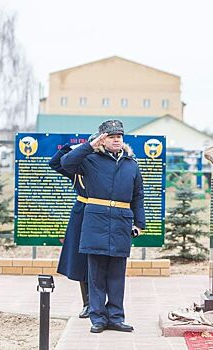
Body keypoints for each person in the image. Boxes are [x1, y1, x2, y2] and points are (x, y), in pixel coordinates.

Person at [61, 120, 145, 334]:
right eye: (111, 136)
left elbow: (138, 196)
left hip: (120, 222)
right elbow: (66, 162)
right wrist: (90, 146)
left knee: (117, 275)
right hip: (95, 221)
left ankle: (116, 317)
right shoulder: (89, 159)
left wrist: (139, 223)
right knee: (96, 275)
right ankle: (97, 318)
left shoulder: (131, 164)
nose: (116, 139)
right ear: (102, 139)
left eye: (119, 136)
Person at [48, 135, 96, 319]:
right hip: (80, 215)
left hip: (98, 213)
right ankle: (87, 303)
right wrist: (73, 147)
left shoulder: (101, 166)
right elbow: (54, 163)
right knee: (80, 259)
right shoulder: (75, 169)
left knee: (97, 260)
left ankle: (98, 302)